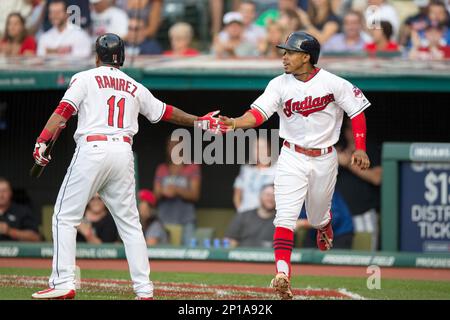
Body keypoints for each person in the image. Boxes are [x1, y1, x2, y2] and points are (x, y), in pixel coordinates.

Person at [30, 33, 224, 300]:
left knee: (64, 217)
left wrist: (42, 141)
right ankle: (144, 291)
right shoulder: (134, 85)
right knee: (131, 225)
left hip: (93, 148)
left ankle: (63, 282)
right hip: (123, 152)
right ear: (120, 57)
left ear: (97, 56)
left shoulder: (84, 77)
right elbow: (166, 112)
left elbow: (64, 111)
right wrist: (200, 121)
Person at [219, 31, 371, 299]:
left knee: (315, 216)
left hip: (325, 156)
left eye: (289, 52)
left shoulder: (333, 83)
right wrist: (233, 123)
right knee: (285, 216)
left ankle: (324, 224)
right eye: (284, 52)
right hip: (291, 155)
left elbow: (356, 112)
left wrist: (360, 147)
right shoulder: (279, 84)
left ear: (306, 57)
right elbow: (257, 114)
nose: (284, 57)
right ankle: (282, 273)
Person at [335, 118, 382, 251]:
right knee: (338, 259)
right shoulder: (339, 150)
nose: (352, 132)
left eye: (355, 129)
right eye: (349, 129)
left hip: (363, 212)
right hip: (339, 216)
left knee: (365, 256)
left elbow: (377, 178)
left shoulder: (371, 149)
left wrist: (349, 163)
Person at [153, 138, 201, 246]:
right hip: (163, 220)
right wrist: (163, 191)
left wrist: (177, 190)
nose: (172, 149)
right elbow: (155, 195)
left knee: (191, 254)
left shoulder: (192, 167)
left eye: (176, 145)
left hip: (186, 220)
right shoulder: (162, 168)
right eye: (170, 146)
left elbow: (195, 195)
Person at [233, 137, 276, 213]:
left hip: (269, 217)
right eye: (257, 147)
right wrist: (241, 212)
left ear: (269, 149)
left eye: (263, 147)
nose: (260, 151)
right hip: (246, 215)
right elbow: (237, 194)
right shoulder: (246, 169)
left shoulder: (277, 169)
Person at [0, 177, 41, 242]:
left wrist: (9, 231)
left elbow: (36, 238)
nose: (1, 195)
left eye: (4, 191)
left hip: (17, 251)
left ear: (10, 192)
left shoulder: (22, 211)